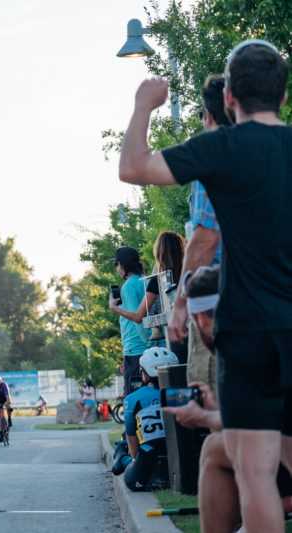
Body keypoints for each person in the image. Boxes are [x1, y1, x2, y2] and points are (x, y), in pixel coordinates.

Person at [119, 39, 292, 531]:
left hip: (248, 329)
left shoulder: (220, 148)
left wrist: (143, 105)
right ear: (282, 94)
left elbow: (132, 167)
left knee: (256, 474)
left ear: (231, 97)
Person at [165, 266, 292, 532]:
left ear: (200, 319)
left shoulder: (249, 347)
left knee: (219, 449)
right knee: (221, 446)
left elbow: (268, 423)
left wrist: (205, 416)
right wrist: (216, 411)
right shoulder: (261, 328)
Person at [166, 74, 230, 390]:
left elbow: (205, 239)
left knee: (214, 401)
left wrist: (180, 304)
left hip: (216, 301)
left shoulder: (213, 161)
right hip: (268, 295)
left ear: (208, 116)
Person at [114, 347, 179, 491]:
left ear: (145, 374)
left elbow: (132, 439)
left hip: (148, 458)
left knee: (131, 476)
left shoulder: (132, 399)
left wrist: (134, 460)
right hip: (180, 459)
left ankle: (121, 457)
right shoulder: (182, 393)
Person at [112, 232, 186, 354]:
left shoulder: (157, 280)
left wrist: (114, 308)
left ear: (159, 253)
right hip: (198, 331)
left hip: (173, 337)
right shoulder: (191, 272)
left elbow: (138, 316)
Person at [108, 246, 151, 394]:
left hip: (136, 350)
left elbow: (136, 318)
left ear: (124, 265)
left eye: (117, 264)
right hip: (147, 348)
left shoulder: (128, 286)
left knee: (133, 398)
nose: (117, 268)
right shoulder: (145, 281)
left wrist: (114, 308)